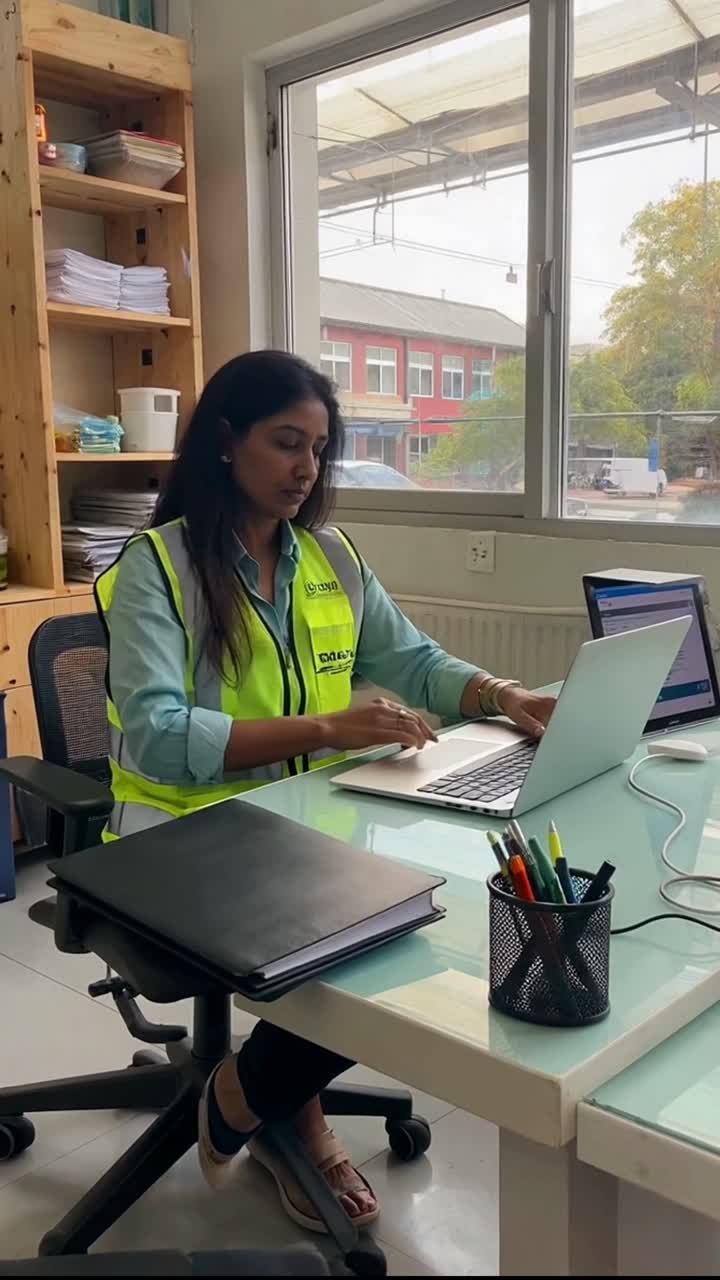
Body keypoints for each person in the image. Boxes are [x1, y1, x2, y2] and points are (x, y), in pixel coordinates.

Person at [95, 350, 554, 1232]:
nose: (307, 468)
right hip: (174, 843)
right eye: (285, 443)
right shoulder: (157, 566)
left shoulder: (328, 557)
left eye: (318, 448)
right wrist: (329, 728)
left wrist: (504, 695)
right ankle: (284, 1111)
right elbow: (157, 733)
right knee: (372, 941)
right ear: (225, 441)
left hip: (299, 831)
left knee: (430, 912)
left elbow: (412, 661)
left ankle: (249, 1090)